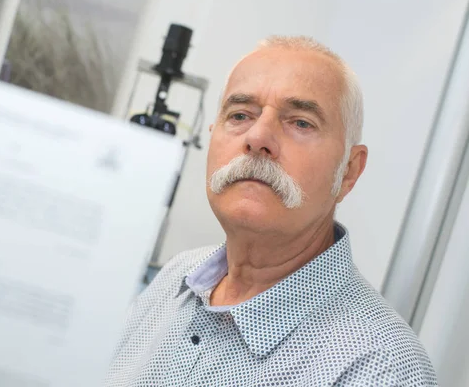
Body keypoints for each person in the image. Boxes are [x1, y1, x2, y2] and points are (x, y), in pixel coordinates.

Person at [105, 35, 437, 386]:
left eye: (301, 123)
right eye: (240, 114)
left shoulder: (379, 367)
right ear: (213, 135)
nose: (258, 136)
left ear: (349, 171)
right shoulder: (175, 279)